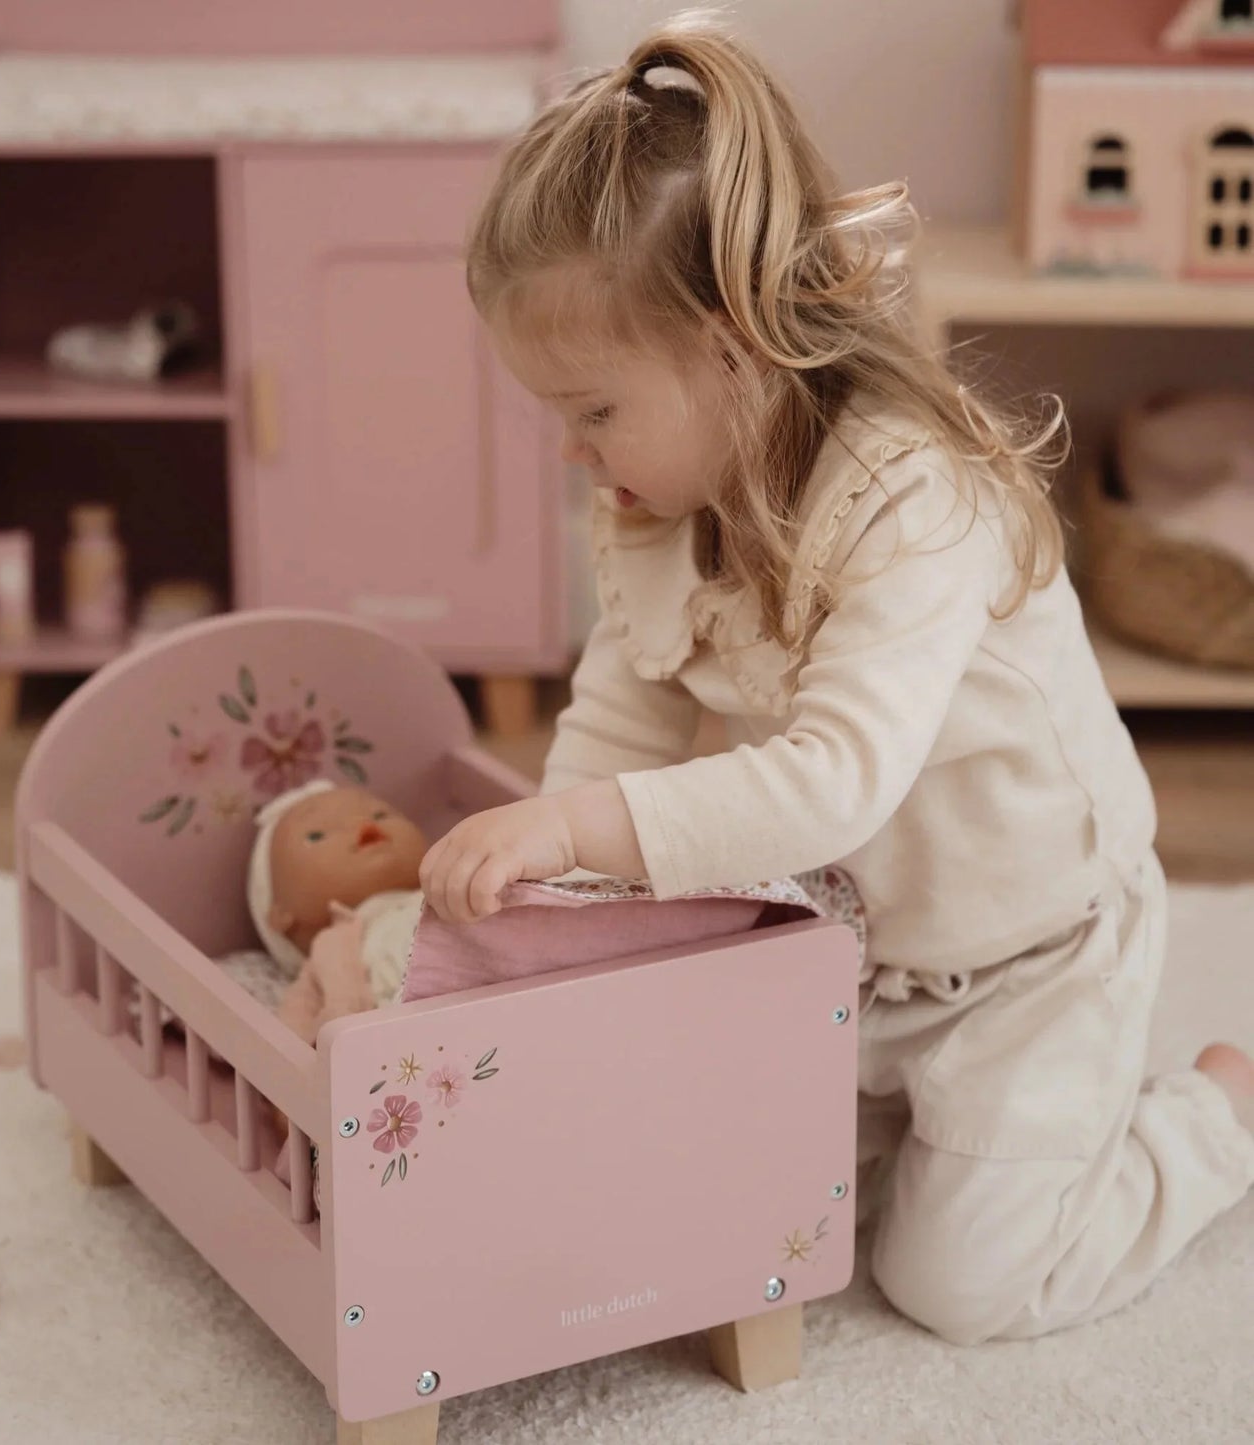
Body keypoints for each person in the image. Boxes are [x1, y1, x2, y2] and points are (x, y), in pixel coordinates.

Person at [418, 12, 1254, 1344]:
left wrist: (581, 829)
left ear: (735, 348)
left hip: (1025, 956)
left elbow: (833, 785)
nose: (571, 452)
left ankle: (1209, 1115)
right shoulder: (655, 496)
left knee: (960, 1283)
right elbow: (626, 703)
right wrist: (557, 901)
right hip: (859, 958)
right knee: (744, 1202)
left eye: (591, 409)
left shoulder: (908, 498)